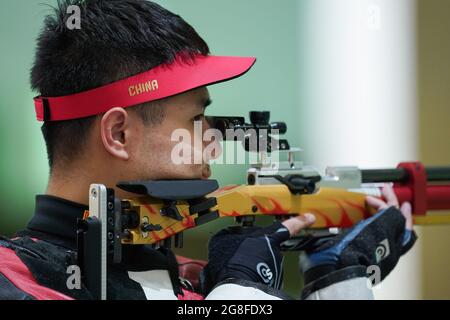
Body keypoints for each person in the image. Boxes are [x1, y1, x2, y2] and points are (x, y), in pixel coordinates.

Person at [0, 0, 416, 300]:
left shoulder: (191, 280)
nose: (214, 149)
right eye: (197, 121)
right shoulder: (15, 280)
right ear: (119, 134)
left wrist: (337, 284)